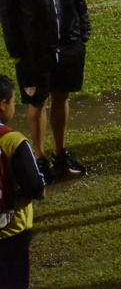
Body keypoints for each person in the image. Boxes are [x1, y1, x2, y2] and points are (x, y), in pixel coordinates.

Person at [0, 0, 90, 185]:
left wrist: (82, 33)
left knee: (62, 97)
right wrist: (17, 54)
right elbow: (8, 16)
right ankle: (39, 158)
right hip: (34, 52)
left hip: (69, 45)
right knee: (38, 103)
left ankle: (60, 153)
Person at [0, 74, 45, 289]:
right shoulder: (12, 140)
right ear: (2, 104)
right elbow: (34, 186)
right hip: (10, 232)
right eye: (13, 101)